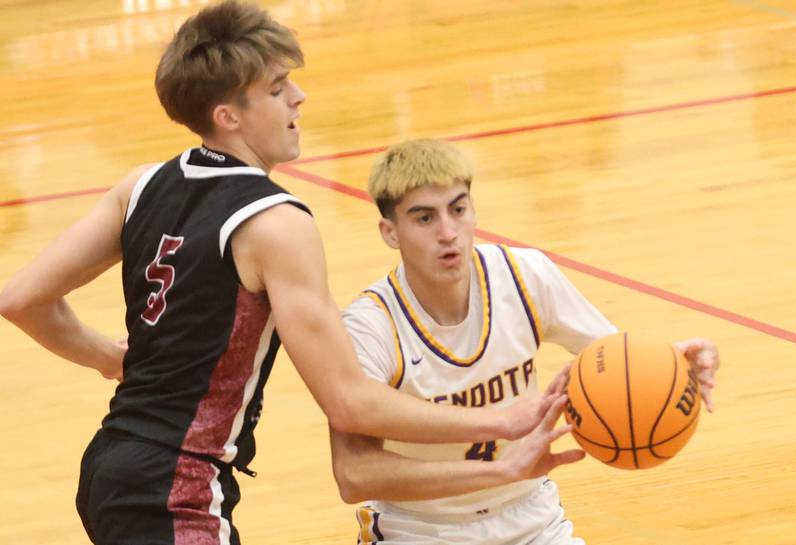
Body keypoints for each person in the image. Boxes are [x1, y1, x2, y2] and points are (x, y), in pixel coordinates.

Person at [0, 4, 564, 545]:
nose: (298, 95)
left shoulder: (141, 185)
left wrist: (109, 358)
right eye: (276, 88)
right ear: (228, 117)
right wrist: (501, 422)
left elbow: (22, 298)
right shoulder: (276, 223)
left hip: (113, 465)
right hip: (176, 485)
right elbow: (350, 403)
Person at [330, 138, 721, 545]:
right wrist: (500, 469)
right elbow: (354, 475)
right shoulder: (370, 327)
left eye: (458, 210)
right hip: (421, 529)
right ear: (390, 233)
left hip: (531, 517)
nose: (448, 233)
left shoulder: (523, 275)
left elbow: (615, 363)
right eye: (425, 218)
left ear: (473, 210)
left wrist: (675, 364)